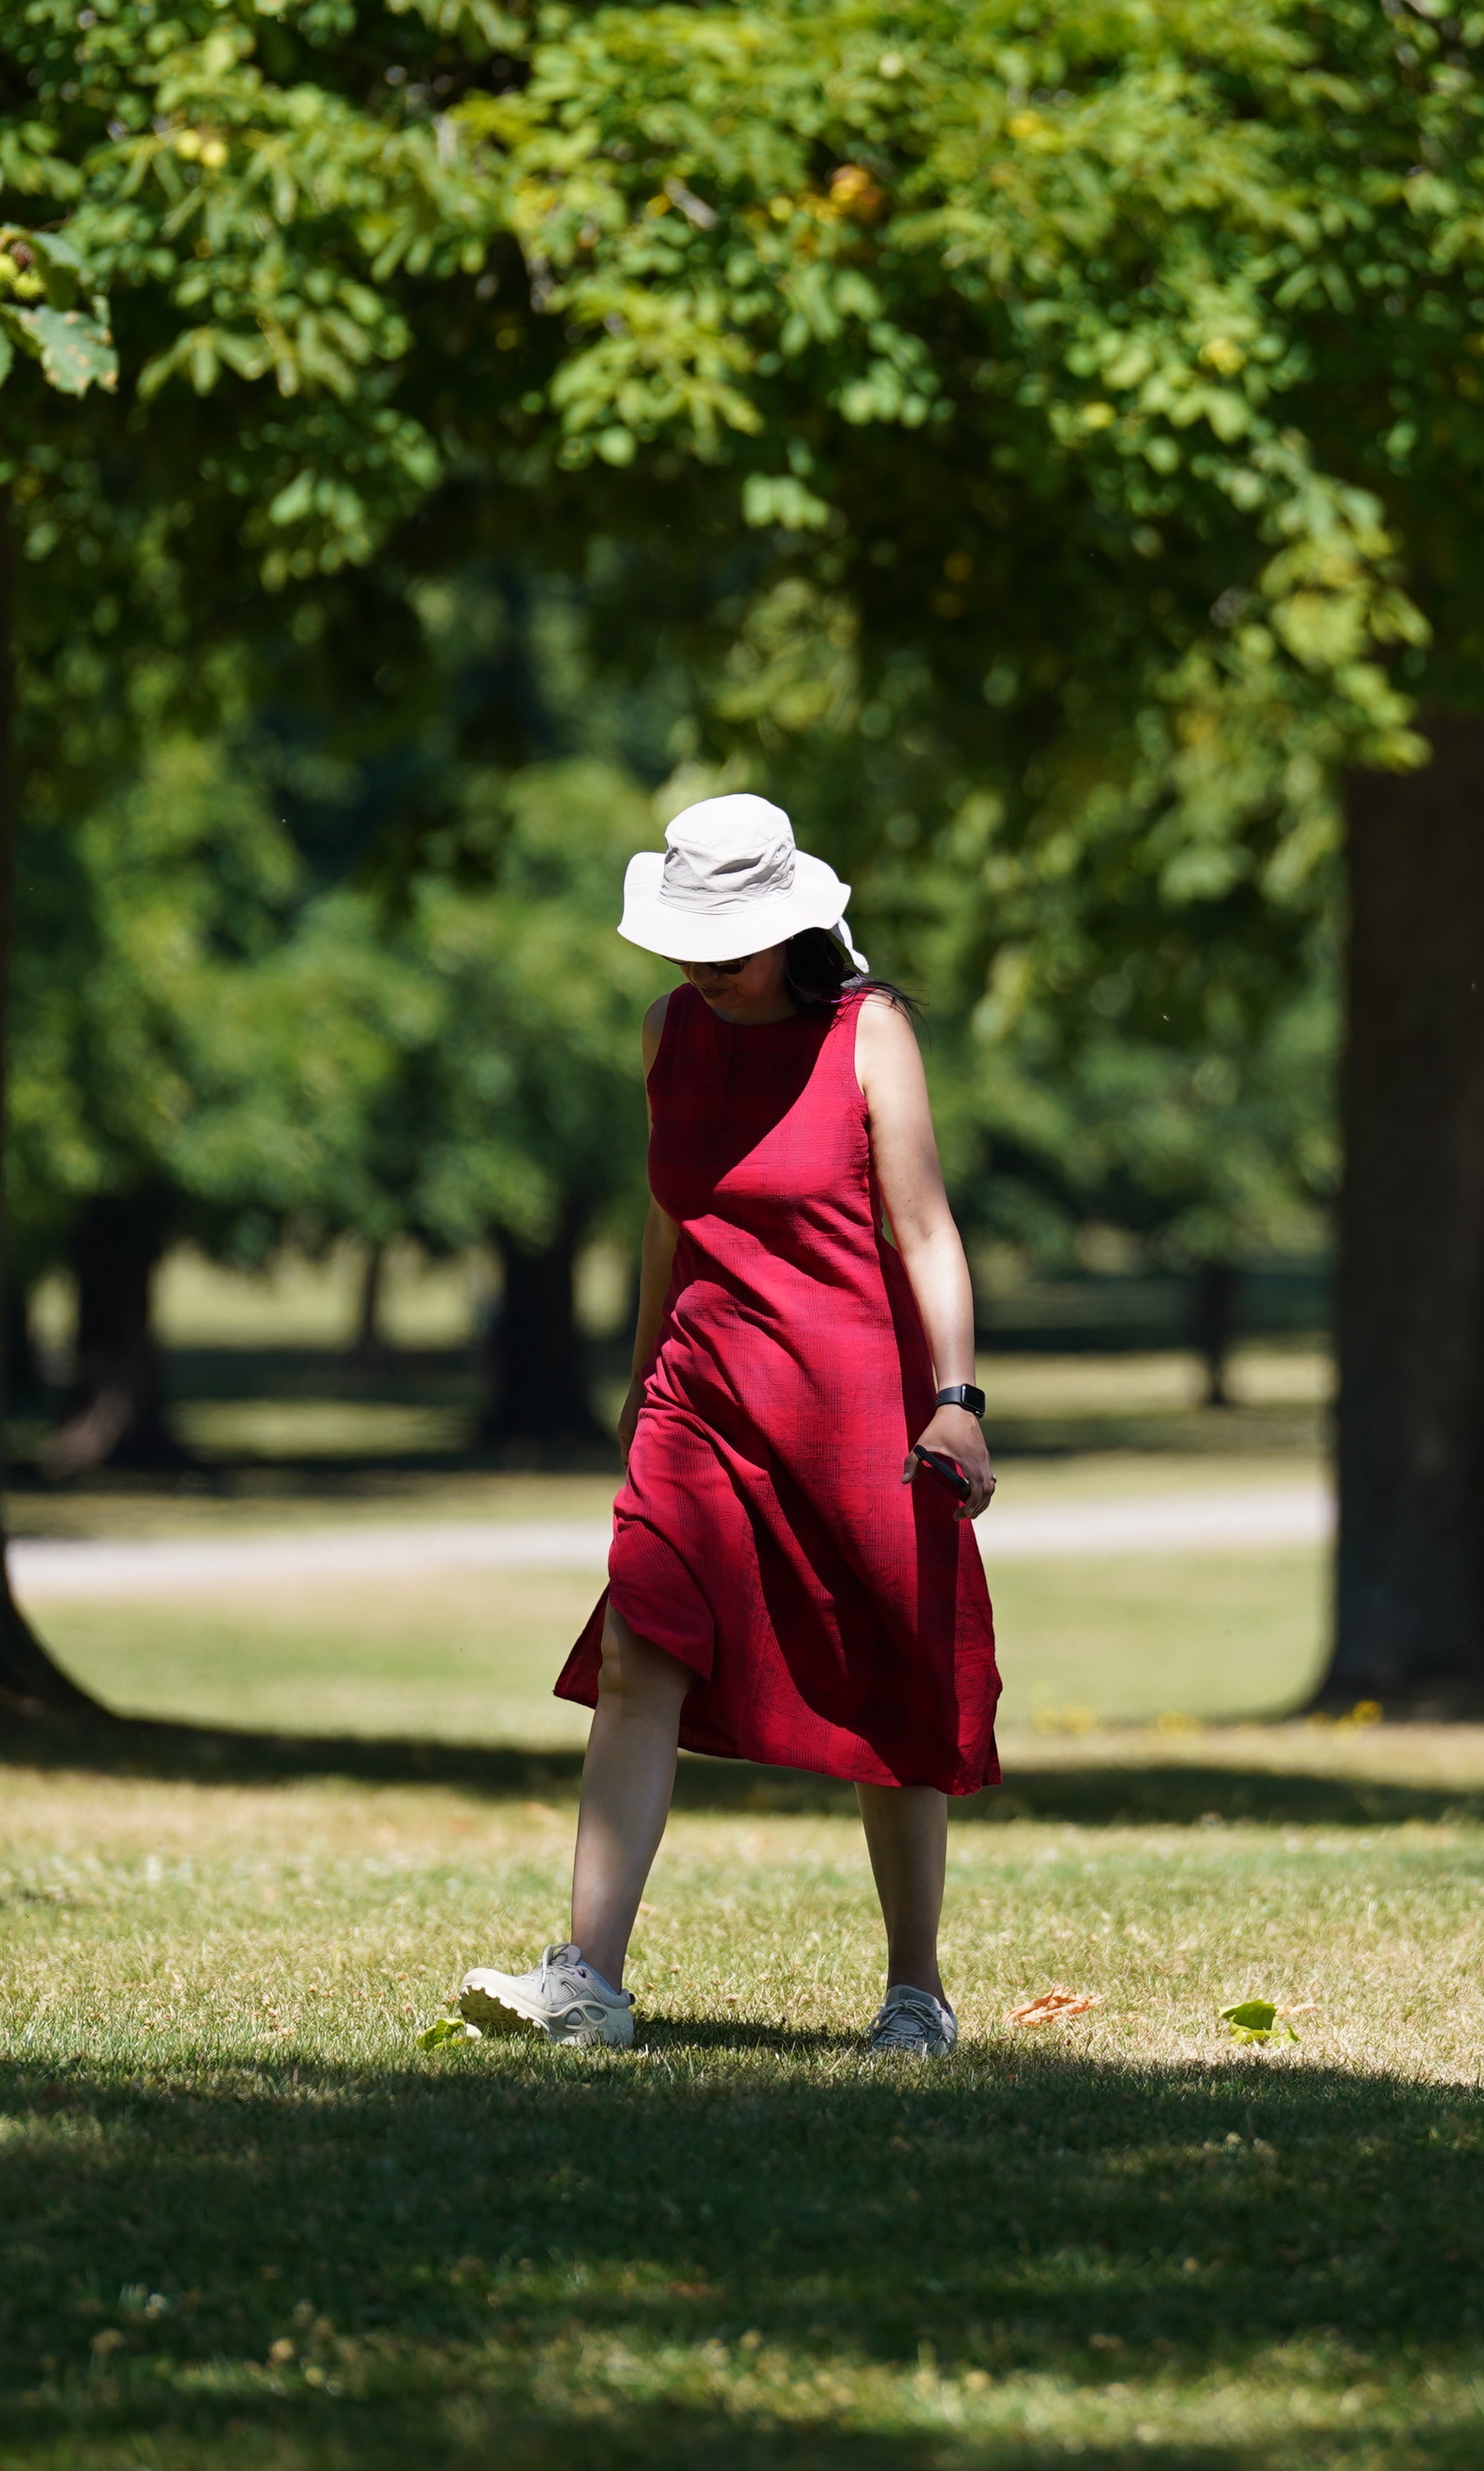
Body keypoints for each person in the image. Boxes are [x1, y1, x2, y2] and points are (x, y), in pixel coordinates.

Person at [455, 794, 1003, 2057]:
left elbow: (924, 1229)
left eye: (731, 943)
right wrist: (644, 1376)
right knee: (643, 1650)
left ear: (794, 927)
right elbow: (671, 1221)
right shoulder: (666, 1035)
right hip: (700, 1402)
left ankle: (914, 1992)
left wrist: (958, 1402)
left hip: (857, 1404)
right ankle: (587, 1977)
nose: (704, 967)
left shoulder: (873, 1037)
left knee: (894, 1683)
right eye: (690, 941)